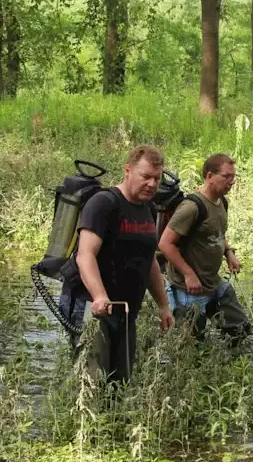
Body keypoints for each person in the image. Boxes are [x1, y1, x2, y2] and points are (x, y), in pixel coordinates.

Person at [58, 144, 175, 385]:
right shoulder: (103, 204)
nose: (152, 184)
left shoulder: (149, 209)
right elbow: (85, 255)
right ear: (128, 171)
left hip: (125, 309)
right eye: (146, 177)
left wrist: (164, 305)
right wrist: (100, 296)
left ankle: (114, 419)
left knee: (121, 382)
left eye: (156, 178)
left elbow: (149, 259)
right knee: (91, 381)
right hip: (92, 305)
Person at [158, 153, 253, 340]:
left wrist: (228, 252)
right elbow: (165, 244)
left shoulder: (221, 202)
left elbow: (217, 232)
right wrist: (188, 274)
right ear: (209, 176)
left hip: (213, 282)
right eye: (226, 177)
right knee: (191, 348)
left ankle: (228, 366)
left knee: (240, 330)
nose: (231, 182)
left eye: (233, 177)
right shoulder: (191, 207)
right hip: (188, 290)